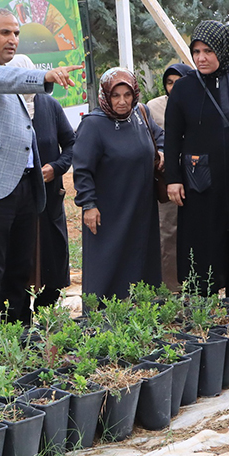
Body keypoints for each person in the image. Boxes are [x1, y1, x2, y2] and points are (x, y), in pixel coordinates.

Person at [0, 8, 82, 336]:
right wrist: (43, 76)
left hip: (22, 189)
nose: (13, 40)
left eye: (17, 33)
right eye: (5, 33)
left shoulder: (5, 71)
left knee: (19, 273)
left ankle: (16, 343)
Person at [164, 21, 229, 298]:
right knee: (202, 241)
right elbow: (172, 138)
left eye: (208, 50)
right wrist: (173, 179)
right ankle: (203, 301)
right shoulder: (184, 89)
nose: (201, 58)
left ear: (222, 49)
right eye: (196, 51)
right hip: (200, 182)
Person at [73, 67, 165, 299]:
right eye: (116, 95)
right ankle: (102, 321)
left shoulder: (140, 116)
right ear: (106, 96)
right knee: (108, 263)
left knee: (142, 260)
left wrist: (162, 151)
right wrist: (88, 205)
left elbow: (160, 137)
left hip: (141, 207)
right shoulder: (94, 124)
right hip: (109, 211)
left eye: (127, 95)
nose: (123, 101)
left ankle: (142, 314)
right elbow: (82, 169)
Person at [10, 54, 75, 310]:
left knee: (51, 253)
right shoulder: (5, 107)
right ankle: (18, 313)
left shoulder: (49, 106)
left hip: (48, 195)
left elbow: (70, 143)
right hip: (15, 197)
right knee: (19, 255)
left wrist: (56, 167)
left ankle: (47, 306)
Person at [147, 63, 189, 292]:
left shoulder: (197, 102)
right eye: (169, 82)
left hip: (196, 178)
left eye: (179, 81)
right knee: (168, 232)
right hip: (167, 182)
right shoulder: (153, 108)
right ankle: (170, 288)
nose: (174, 87)